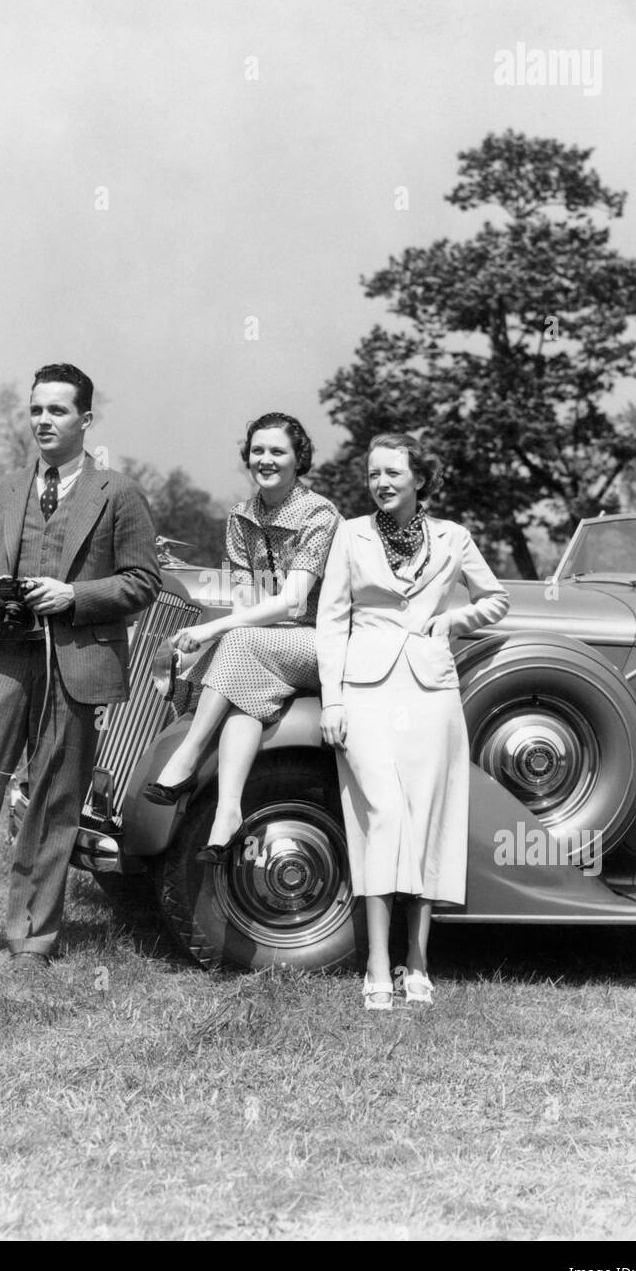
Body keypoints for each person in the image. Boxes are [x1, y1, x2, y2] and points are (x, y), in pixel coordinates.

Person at [0, 363, 161, 972]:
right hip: (6, 657)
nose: (44, 422)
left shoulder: (118, 493)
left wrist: (74, 596)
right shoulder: (8, 487)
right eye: (36, 411)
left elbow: (143, 580)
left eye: (58, 411)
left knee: (54, 800)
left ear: (86, 420)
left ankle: (32, 937)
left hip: (74, 665)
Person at [316, 432, 509, 1010]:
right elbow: (331, 621)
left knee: (424, 820)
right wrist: (332, 700)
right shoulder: (349, 535)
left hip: (430, 691)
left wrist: (451, 622)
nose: (381, 483)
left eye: (393, 473)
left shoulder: (455, 537)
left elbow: (496, 598)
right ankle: (377, 962)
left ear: (419, 478)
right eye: (373, 474)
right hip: (365, 691)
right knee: (383, 817)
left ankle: (418, 962)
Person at [143, 412, 340, 863]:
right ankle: (227, 814)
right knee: (240, 693)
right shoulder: (240, 516)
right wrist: (213, 642)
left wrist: (214, 631)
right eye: (258, 451)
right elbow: (245, 601)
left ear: (298, 459)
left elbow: (292, 602)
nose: (265, 460)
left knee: (233, 644)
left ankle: (188, 756)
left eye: (277, 451)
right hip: (261, 645)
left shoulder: (319, 513)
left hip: (316, 641)